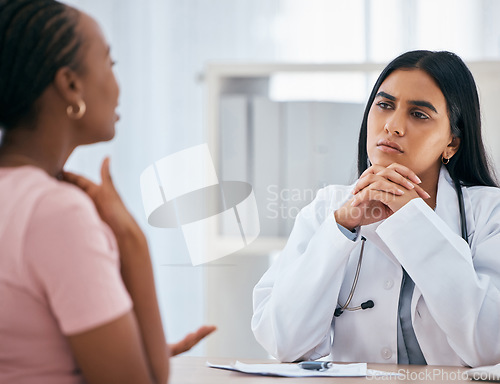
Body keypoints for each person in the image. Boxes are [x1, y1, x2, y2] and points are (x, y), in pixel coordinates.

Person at [0, 1, 215, 383]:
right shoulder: (55, 211)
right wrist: (132, 239)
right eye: (110, 63)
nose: (117, 83)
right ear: (70, 84)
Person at [252, 50, 500, 368]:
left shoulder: (489, 213)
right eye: (384, 105)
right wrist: (340, 229)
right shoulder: (328, 210)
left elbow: (491, 347)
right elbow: (281, 342)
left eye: (419, 114)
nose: (393, 126)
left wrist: (414, 219)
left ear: (451, 143)